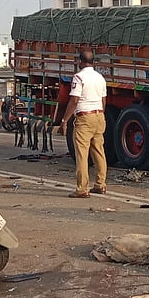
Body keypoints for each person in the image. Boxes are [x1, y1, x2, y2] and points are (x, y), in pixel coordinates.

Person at [58, 50, 107, 198]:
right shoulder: (100, 78)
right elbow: (104, 99)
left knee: (82, 154)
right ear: (93, 62)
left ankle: (82, 189)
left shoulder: (78, 77)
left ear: (80, 61)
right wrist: (100, 114)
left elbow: (74, 100)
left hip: (84, 118)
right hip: (99, 115)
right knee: (99, 151)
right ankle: (100, 184)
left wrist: (64, 120)